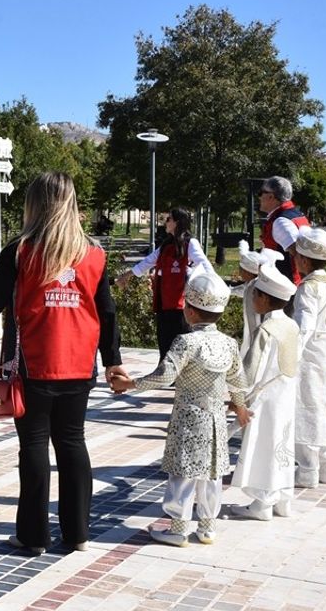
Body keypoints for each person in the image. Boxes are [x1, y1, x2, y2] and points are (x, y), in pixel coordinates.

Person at [0, 171, 124, 555]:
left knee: (34, 446)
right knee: (73, 443)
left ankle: (33, 536)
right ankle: (78, 533)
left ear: (34, 204)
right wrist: (113, 362)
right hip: (79, 366)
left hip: (32, 364)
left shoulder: (21, 250)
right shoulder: (94, 253)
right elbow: (107, 313)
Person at [109, 270, 247, 547]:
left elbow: (164, 376)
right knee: (211, 472)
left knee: (183, 473)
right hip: (216, 418)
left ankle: (178, 528)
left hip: (188, 417)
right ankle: (207, 527)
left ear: (190, 312)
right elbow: (238, 381)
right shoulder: (229, 343)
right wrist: (241, 408)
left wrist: (130, 384)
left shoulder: (186, 342)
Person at [229, 264, 301, 521]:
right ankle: (282, 499)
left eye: (255, 295)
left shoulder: (265, 330)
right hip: (285, 395)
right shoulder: (292, 325)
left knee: (263, 447)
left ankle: (262, 503)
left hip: (265, 399)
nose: (252, 299)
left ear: (265, 299)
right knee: (282, 445)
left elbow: (249, 372)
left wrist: (236, 398)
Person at [116, 208, 214, 360]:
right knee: (164, 340)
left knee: (180, 341)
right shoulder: (165, 245)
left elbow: (206, 266)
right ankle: (164, 373)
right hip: (163, 303)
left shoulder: (190, 243)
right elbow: (147, 263)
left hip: (180, 304)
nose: (165, 222)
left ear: (177, 222)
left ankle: (181, 375)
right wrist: (125, 276)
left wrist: (209, 288)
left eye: (169, 219)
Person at [290, 228, 326, 489]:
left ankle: (307, 470)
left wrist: (291, 356)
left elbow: (304, 326)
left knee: (306, 409)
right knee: (324, 408)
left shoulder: (309, 288)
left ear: (304, 260)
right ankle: (324, 467)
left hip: (309, 356)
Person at [233, 241, 283, 361]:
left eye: (241, 270)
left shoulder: (257, 287)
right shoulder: (251, 284)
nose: (239, 273)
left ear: (247, 271)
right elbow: (241, 290)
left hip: (258, 331)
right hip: (251, 331)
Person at [258, 176, 310, 284]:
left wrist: (306, 283)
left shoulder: (281, 221)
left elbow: (299, 254)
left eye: (261, 193)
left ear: (271, 196)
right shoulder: (294, 214)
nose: (259, 197)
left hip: (286, 287)